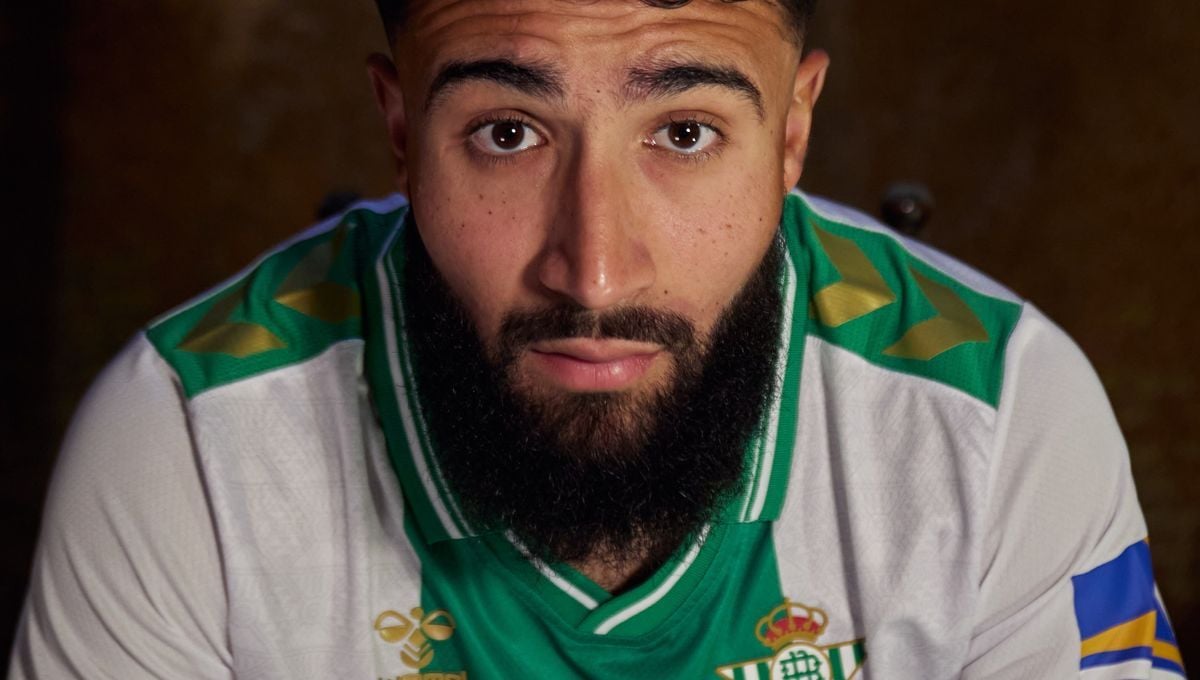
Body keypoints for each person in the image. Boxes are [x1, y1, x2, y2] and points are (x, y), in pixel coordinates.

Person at [7, 0, 1187, 678]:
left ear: (792, 132)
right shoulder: (189, 439)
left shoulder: (997, 413)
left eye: (685, 132)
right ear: (400, 130)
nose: (595, 268)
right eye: (507, 132)